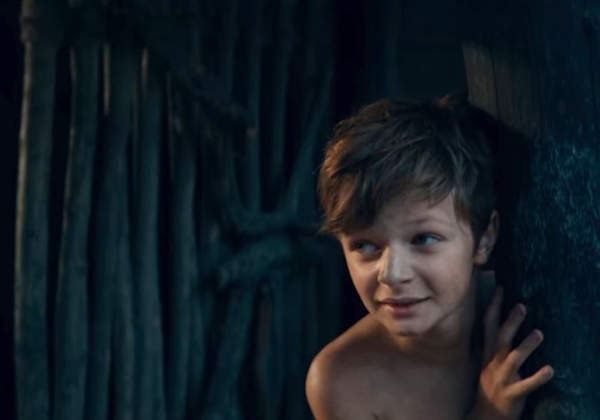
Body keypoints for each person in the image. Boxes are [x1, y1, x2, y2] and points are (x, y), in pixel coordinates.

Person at [305, 96, 553, 420]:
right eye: (365, 246)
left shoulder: (535, 313)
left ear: (484, 238)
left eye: (423, 239)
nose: (392, 274)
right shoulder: (342, 381)